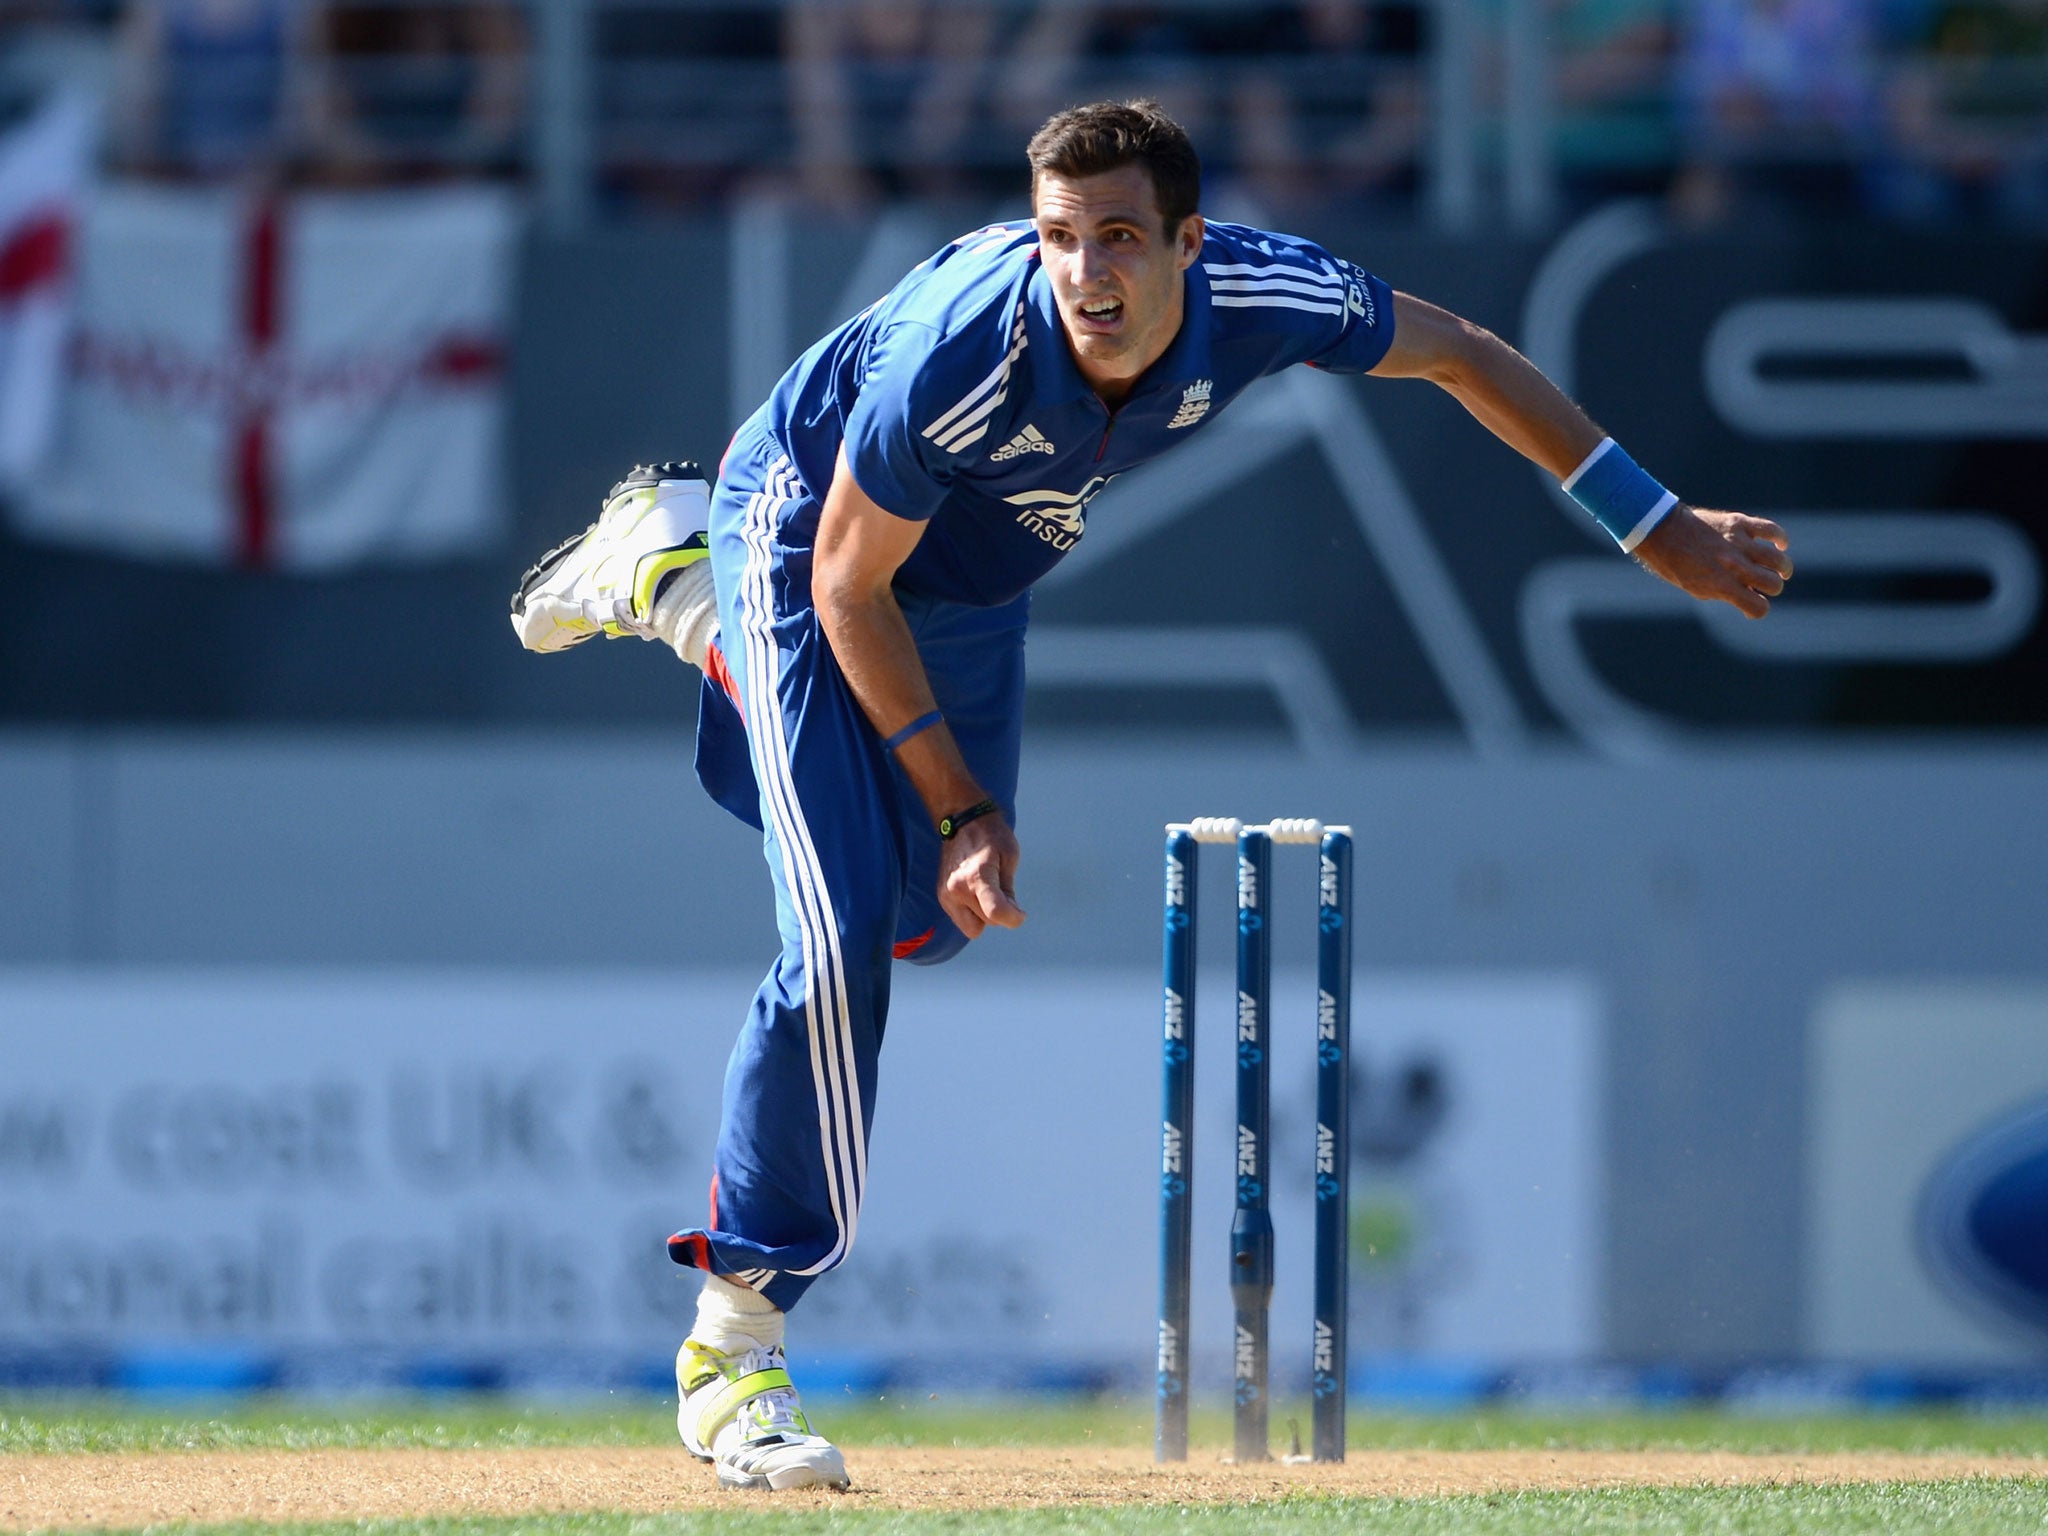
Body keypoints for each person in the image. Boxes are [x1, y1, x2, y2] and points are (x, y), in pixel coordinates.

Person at [508, 99, 1793, 1492]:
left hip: (971, 578)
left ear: (1191, 242)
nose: (1087, 274)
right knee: (827, 954)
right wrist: (959, 808)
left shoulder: (1265, 293)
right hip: (812, 538)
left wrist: (1654, 521)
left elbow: (1463, 356)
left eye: (1121, 238)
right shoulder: (964, 361)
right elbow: (844, 584)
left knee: (912, 931)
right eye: (1061, 238)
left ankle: (670, 587)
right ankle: (734, 1346)